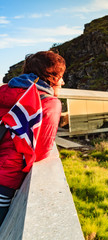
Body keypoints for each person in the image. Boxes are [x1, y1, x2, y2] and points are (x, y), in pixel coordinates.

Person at [0, 51, 65, 225]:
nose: (63, 82)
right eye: (61, 77)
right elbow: (41, 152)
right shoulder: (49, 103)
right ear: (51, 77)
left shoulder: (3, 90)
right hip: (5, 177)